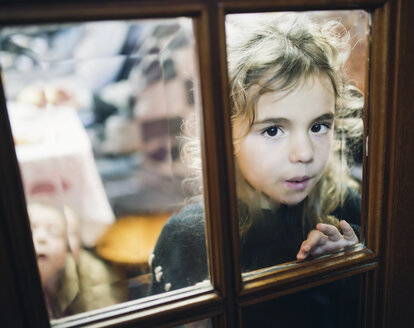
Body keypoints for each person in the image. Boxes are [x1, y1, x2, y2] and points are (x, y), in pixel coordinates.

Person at [148, 12, 364, 327]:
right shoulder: (192, 238)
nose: (303, 153)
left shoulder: (348, 209)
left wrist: (350, 265)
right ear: (225, 134)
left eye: (319, 125)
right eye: (273, 130)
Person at [28, 202, 123, 318]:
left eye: (54, 233)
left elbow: (104, 317)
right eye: (31, 230)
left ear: (67, 250)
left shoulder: (87, 272)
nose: (41, 238)